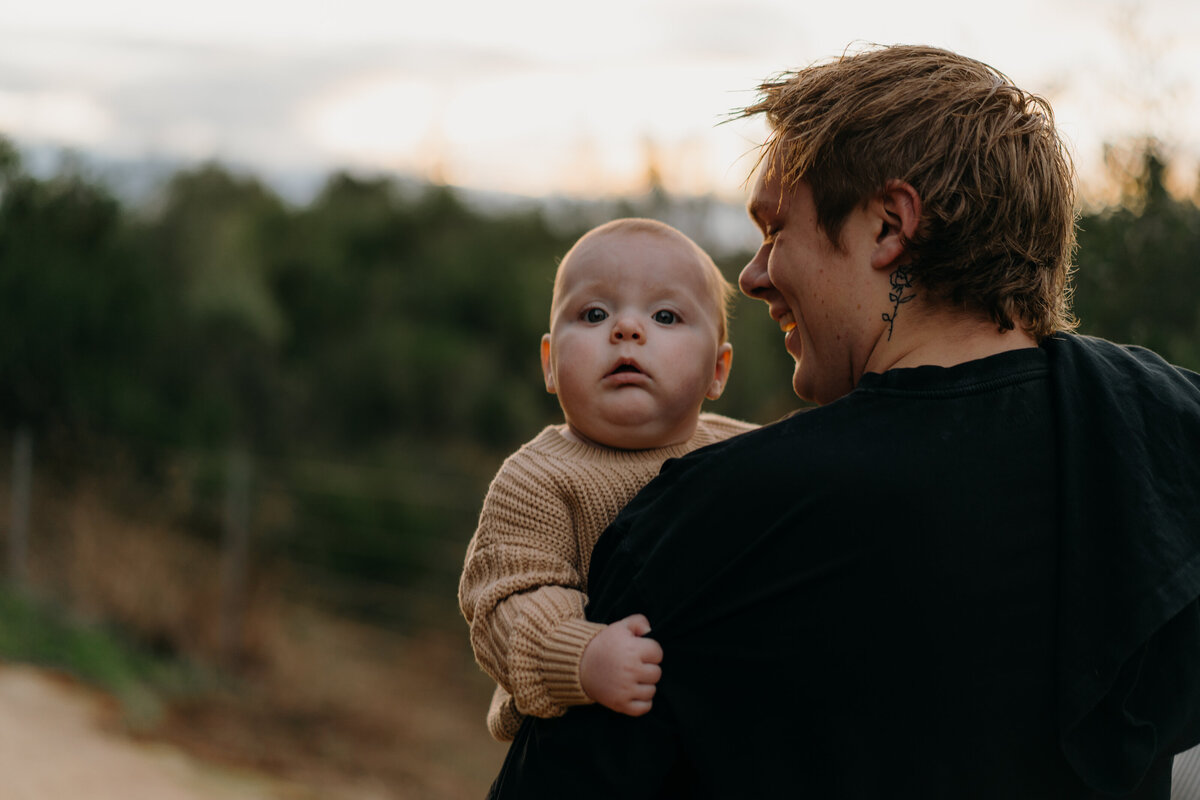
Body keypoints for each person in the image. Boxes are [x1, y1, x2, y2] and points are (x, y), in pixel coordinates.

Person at [487, 45, 1200, 798]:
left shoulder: (712, 518)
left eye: (775, 230)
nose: (752, 276)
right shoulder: (1155, 446)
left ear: (890, 226)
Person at [459, 217, 757, 742]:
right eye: (595, 314)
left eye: (665, 316)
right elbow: (507, 601)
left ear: (718, 370)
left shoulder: (742, 450)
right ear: (549, 364)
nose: (627, 329)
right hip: (583, 738)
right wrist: (582, 655)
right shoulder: (537, 479)